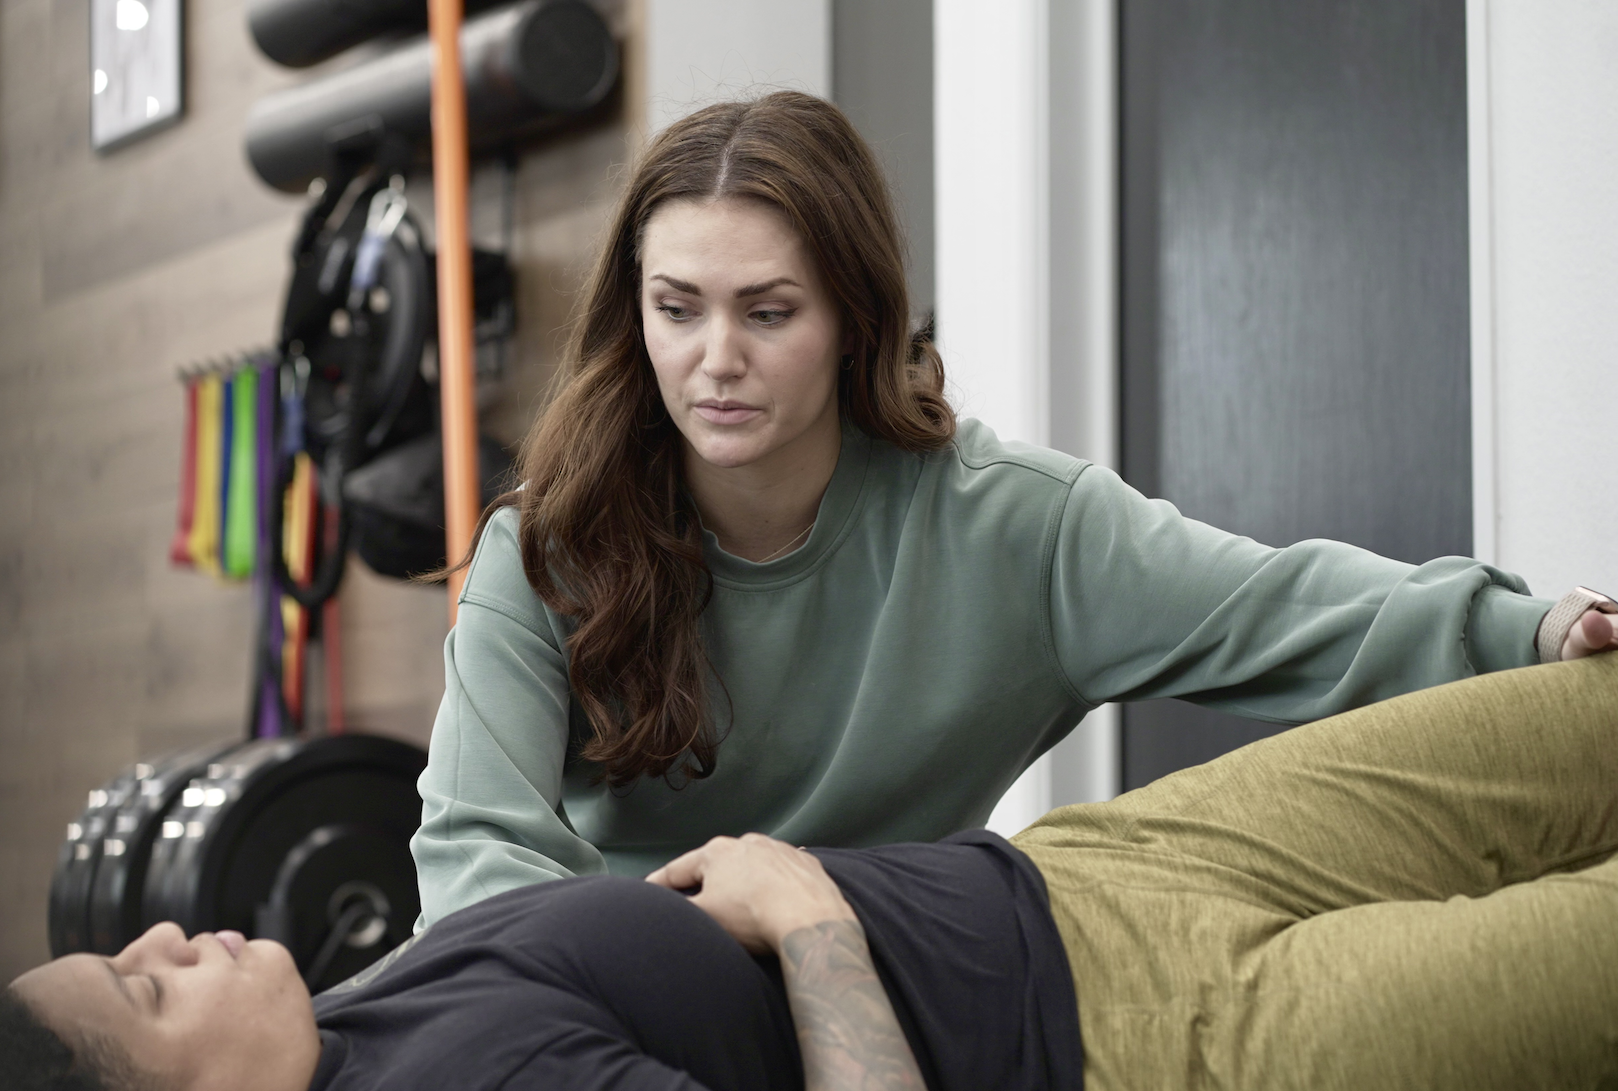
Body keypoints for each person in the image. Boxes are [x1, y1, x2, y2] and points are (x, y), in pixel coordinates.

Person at [0, 655, 1618, 1091]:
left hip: (1103, 878)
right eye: (146, 980)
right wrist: (813, 919)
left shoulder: (360, 1018)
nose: (176, 937)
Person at [410, 89, 1618, 927]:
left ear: (852, 323)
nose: (714, 357)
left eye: (766, 312)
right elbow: (477, 861)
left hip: (878, 1003)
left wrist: (1527, 631)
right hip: (600, 1002)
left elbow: (1285, 611)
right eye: (677, 309)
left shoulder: (1014, 531)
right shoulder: (548, 549)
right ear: (637, 314)